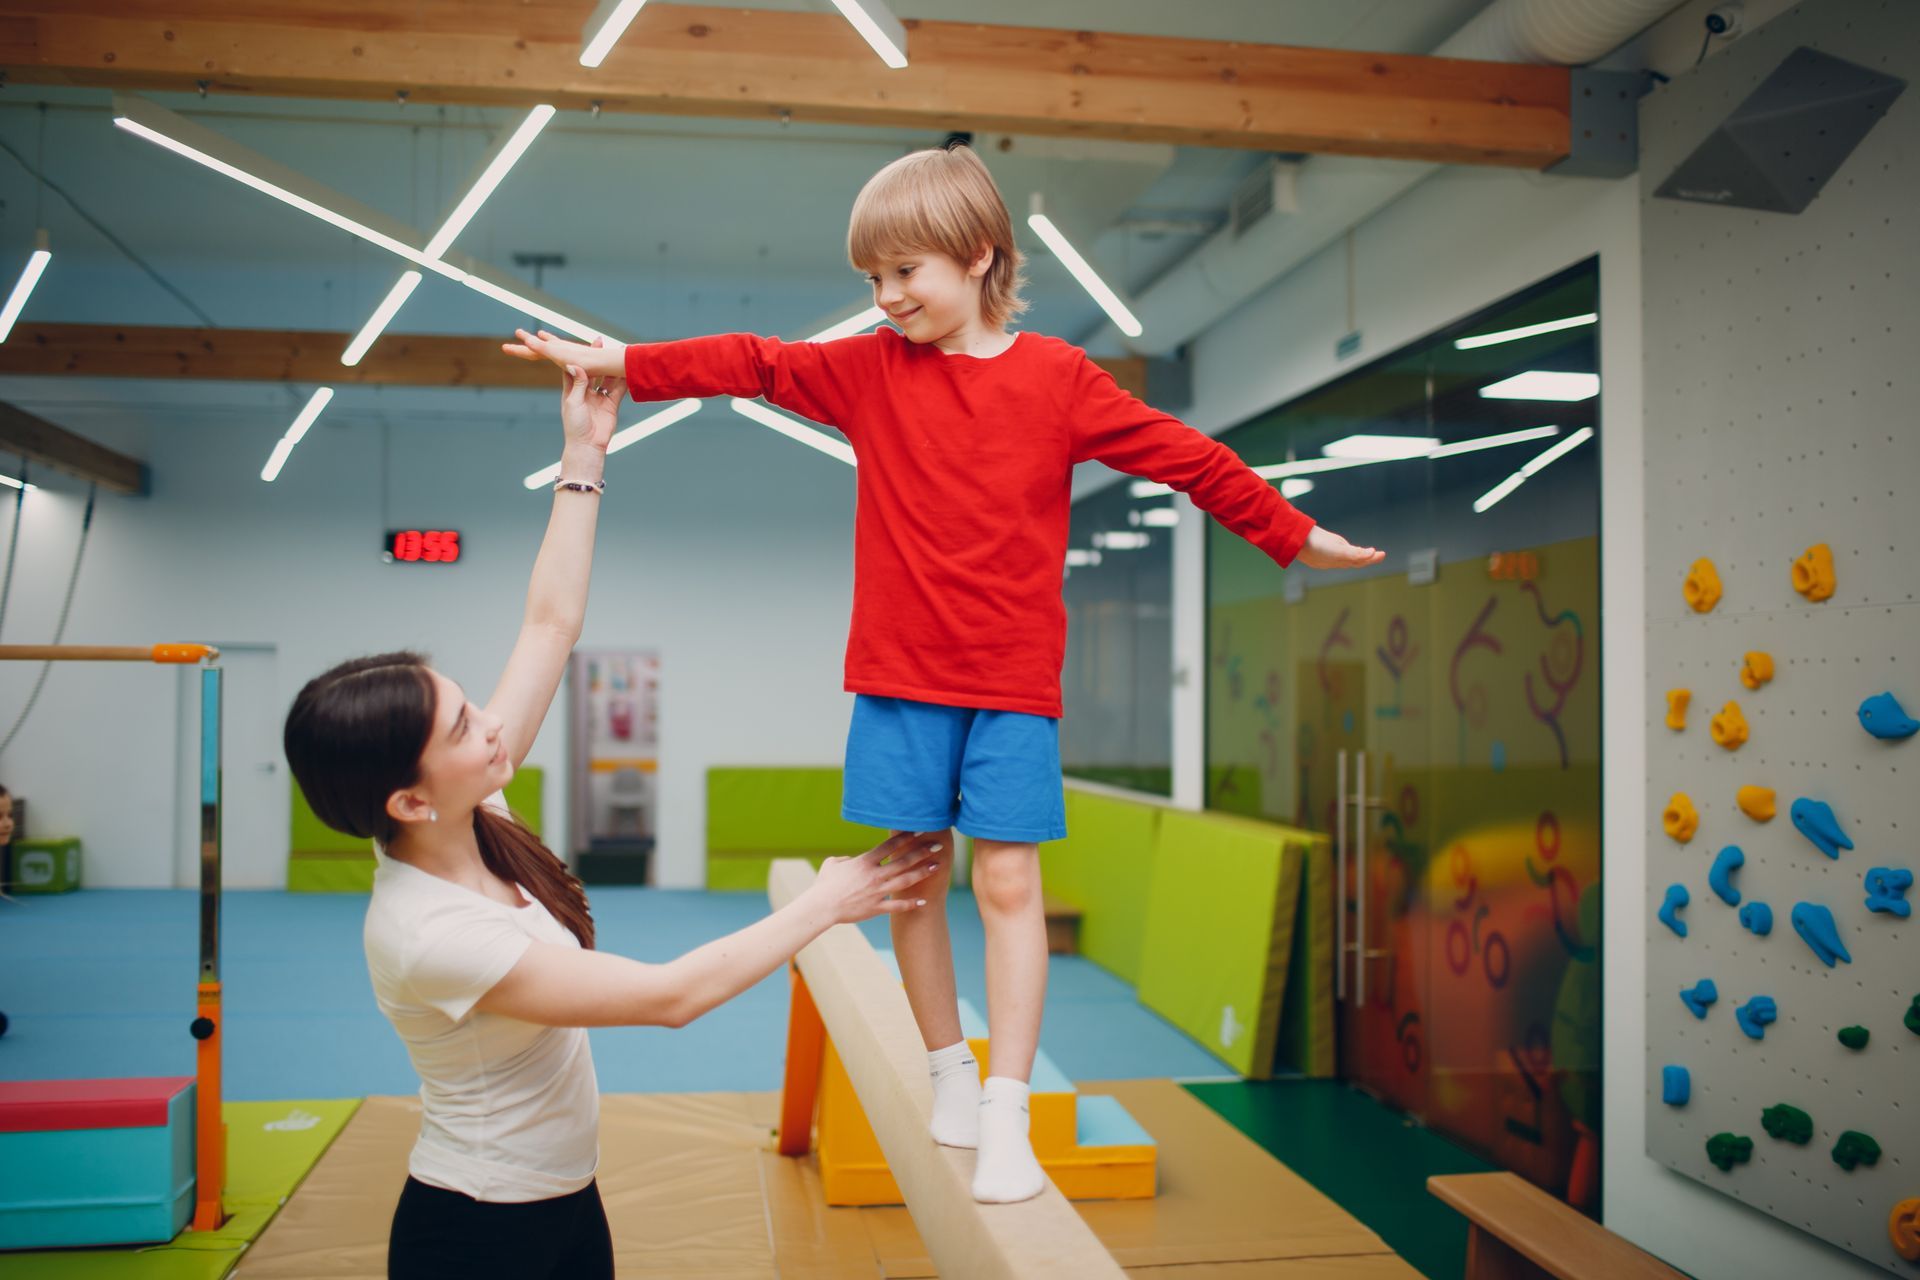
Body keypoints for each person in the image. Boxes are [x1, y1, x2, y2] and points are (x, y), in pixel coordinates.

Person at [503, 144, 1384, 1203]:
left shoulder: (1059, 380)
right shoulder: (871, 371)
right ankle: (947, 1069)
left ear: (977, 256)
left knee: (1008, 878)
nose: (885, 298)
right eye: (871, 280)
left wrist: (1292, 535)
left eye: (905, 273)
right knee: (910, 882)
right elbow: (755, 361)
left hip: (1013, 683)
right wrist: (628, 362)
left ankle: (1007, 1105)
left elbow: (1184, 456)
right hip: (900, 677)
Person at [282, 358, 946, 1278]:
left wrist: (583, 457)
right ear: (408, 799)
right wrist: (825, 905)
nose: (493, 725)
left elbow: (550, 625)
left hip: (564, 1203)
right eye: (466, 726)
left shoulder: (478, 814)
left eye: (472, 704)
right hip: (479, 1234)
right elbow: (668, 999)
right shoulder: (428, 932)